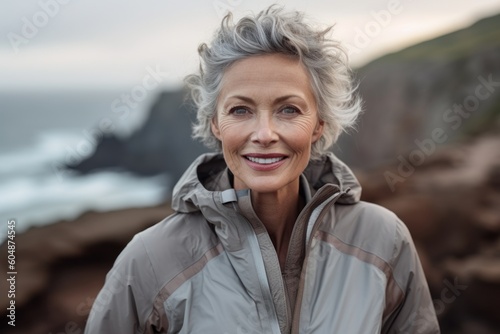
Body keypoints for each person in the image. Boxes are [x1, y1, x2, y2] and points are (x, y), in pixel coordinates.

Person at [85, 6, 440, 334]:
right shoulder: (148, 260)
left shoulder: (383, 240)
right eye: (241, 110)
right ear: (215, 124)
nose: (265, 134)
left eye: (288, 110)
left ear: (319, 124)